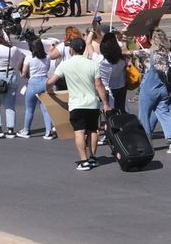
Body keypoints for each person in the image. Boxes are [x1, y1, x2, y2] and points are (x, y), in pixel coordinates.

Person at [58, 36, 109, 171]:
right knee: (93, 130)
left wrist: (49, 90)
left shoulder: (65, 64)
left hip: (76, 104)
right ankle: (92, 157)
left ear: (72, 50)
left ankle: (84, 160)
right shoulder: (92, 64)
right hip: (92, 103)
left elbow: (51, 81)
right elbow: (99, 85)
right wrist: (105, 103)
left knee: (79, 132)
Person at [136, 44, 171, 153]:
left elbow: (130, 53)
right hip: (162, 87)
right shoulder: (166, 54)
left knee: (144, 115)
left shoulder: (148, 53)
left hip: (149, 88)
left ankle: (146, 142)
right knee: (164, 113)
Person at [0, 29, 25, 138]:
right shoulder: (14, 49)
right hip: (11, 75)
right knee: (10, 104)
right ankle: (11, 130)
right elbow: (21, 59)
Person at [19, 35, 56, 139]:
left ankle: (26, 131)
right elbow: (48, 69)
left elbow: (23, 73)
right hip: (44, 82)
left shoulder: (29, 58)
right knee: (45, 109)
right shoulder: (47, 57)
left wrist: (22, 74)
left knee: (29, 109)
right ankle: (48, 132)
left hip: (33, 84)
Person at [98, 32, 130, 116]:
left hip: (107, 88)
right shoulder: (123, 59)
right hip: (121, 85)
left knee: (110, 112)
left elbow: (88, 45)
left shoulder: (100, 60)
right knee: (121, 109)